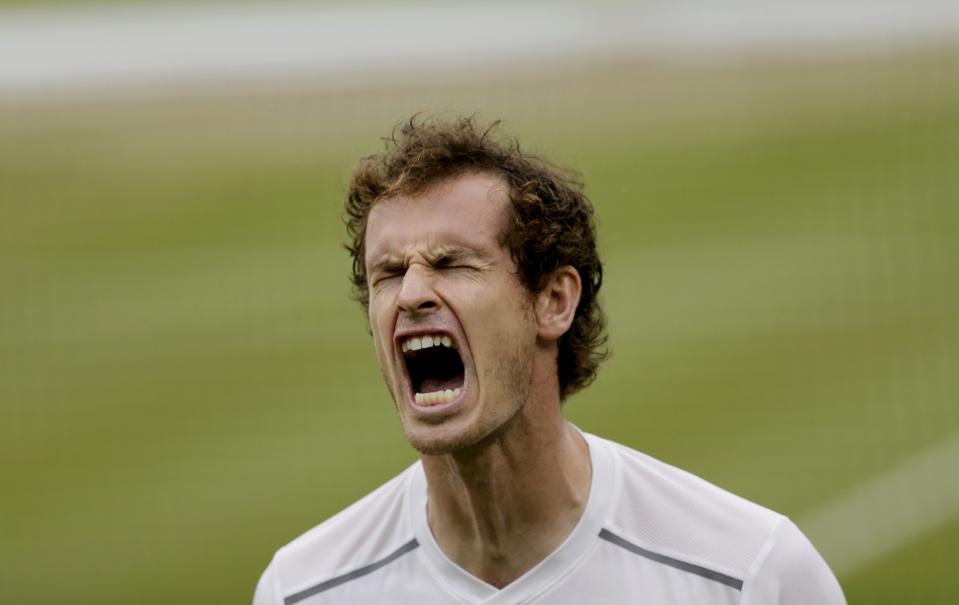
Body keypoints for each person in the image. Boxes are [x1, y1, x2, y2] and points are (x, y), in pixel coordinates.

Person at [253, 115, 846, 605]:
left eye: (452, 263)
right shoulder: (304, 590)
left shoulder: (746, 576)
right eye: (389, 273)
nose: (411, 294)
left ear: (553, 300)